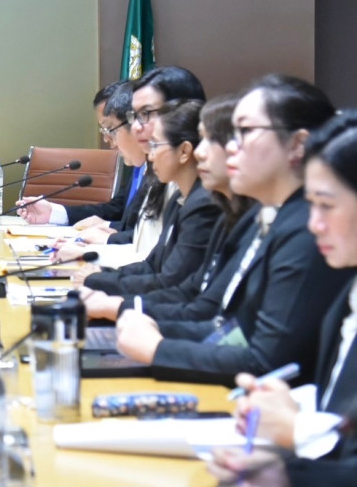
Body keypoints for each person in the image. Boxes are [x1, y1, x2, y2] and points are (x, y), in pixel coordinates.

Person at [115, 75, 351, 386]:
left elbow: (266, 360)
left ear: (297, 144)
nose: (229, 146)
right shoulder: (262, 215)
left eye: (245, 132)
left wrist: (158, 348)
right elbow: (226, 324)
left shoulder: (307, 230)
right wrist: (150, 329)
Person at [207, 110, 357, 485]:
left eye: (326, 205)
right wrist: (289, 414)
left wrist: (296, 430)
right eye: (311, 204)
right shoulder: (348, 294)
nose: (314, 224)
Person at [82, 95, 255, 322]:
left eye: (155, 144)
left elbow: (184, 292)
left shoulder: (207, 204)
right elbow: (160, 271)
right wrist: (102, 281)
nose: (200, 152)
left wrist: (116, 304)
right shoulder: (181, 199)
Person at [77, 100, 222, 294]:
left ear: (184, 151)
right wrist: (100, 275)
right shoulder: (178, 198)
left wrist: (103, 285)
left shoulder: (203, 204)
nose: (151, 157)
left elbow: (171, 282)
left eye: (155, 145)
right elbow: (152, 265)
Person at [18, 81, 138, 227]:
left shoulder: (157, 170)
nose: (106, 139)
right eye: (104, 130)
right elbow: (118, 210)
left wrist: (109, 230)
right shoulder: (140, 168)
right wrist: (54, 213)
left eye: (110, 128)